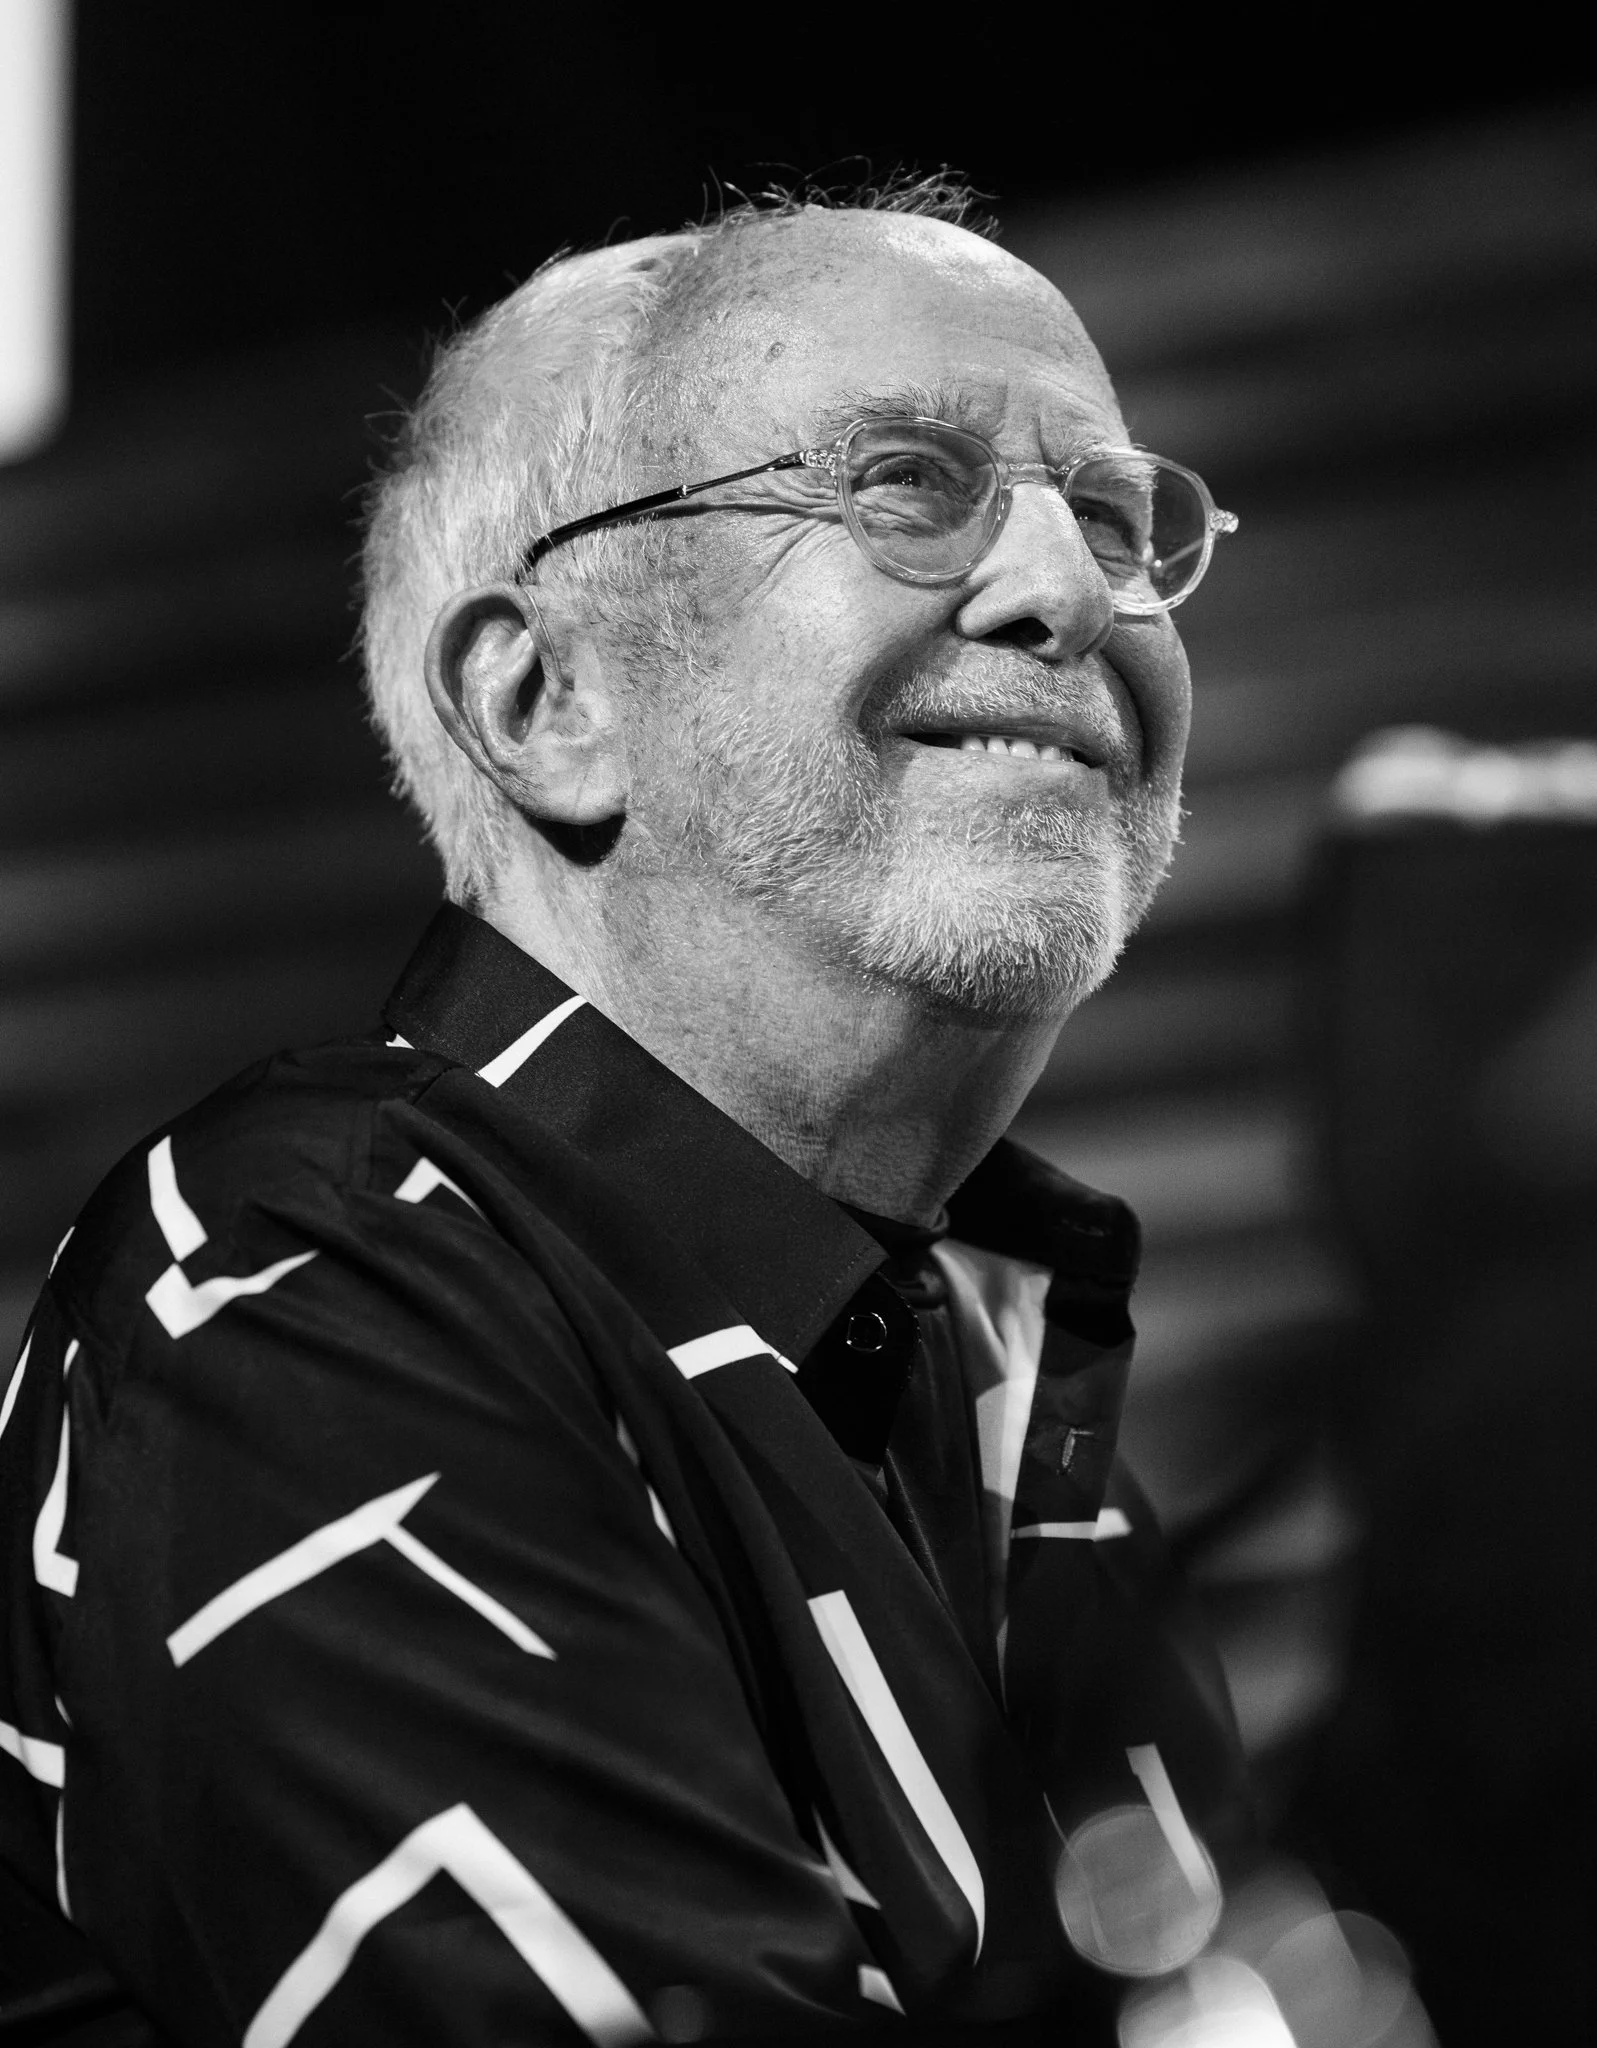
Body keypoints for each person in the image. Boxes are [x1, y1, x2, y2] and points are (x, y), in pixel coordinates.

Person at [0, 180, 1249, 2044]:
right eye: (904, 483)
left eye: (1122, 515)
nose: (1072, 590)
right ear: (543, 696)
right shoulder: (302, 1292)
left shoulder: (996, 1386)